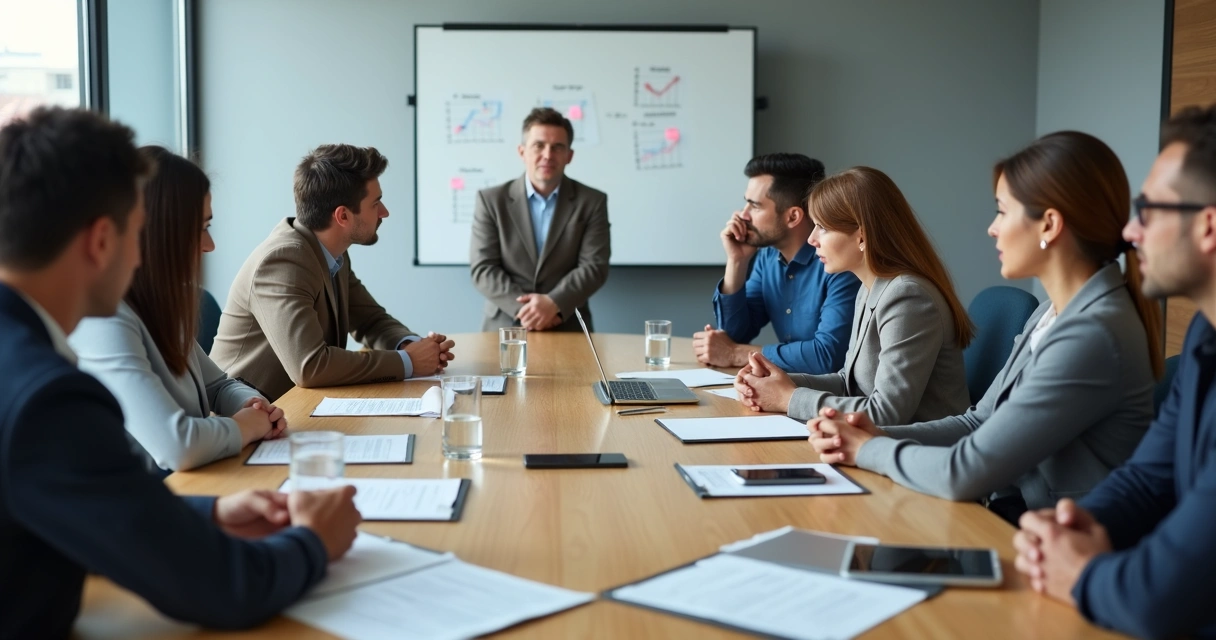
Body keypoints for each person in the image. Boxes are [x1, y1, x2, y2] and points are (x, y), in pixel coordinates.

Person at [0, 107, 361, 638]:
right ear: (103, 241)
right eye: (138, 231)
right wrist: (314, 541)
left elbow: (83, 509)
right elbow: (221, 587)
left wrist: (205, 515)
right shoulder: (46, 398)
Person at [809, 131, 1162, 521]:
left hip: (1055, 537)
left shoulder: (1093, 333)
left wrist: (866, 449)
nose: (993, 228)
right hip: (1015, 512)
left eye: (1002, 211)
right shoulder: (1048, 313)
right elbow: (977, 421)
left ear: (1048, 225)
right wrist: (876, 436)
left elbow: (966, 472)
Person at [1013, 105, 1216, 640]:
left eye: (1148, 211)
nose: (1130, 232)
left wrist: (1078, 569)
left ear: (1208, 226)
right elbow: (1150, 477)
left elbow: (1157, 601)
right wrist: (1074, 526)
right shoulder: (1204, 334)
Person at [69, 147, 285, 474]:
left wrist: (250, 404)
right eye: (201, 228)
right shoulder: (104, 321)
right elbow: (176, 446)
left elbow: (217, 386)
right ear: (160, 232)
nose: (209, 245)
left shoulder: (161, 301)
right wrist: (247, 427)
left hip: (190, 488)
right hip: (144, 507)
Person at [211, 144, 454, 400]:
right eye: (376, 203)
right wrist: (407, 362)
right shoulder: (283, 261)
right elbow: (311, 366)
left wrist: (409, 346)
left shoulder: (332, 251)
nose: (385, 212)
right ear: (343, 216)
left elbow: (370, 320)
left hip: (297, 409)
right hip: (246, 420)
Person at [735, 167, 971, 425]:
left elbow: (886, 412)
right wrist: (775, 383)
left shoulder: (908, 297)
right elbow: (849, 382)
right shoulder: (869, 287)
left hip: (917, 451)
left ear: (861, 234)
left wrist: (788, 398)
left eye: (822, 227)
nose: (812, 239)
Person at [695, 153, 860, 373]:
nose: (742, 216)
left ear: (793, 217)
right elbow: (735, 335)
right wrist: (737, 261)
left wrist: (736, 353)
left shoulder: (840, 263)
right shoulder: (767, 258)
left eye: (754, 206)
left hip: (830, 400)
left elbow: (827, 356)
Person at [469, 107, 611, 332]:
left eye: (557, 147)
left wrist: (554, 304)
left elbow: (594, 266)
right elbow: (483, 267)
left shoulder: (592, 201)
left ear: (569, 155)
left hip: (567, 323)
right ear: (522, 151)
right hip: (505, 324)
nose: (547, 155)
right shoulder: (490, 200)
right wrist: (529, 311)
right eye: (539, 145)